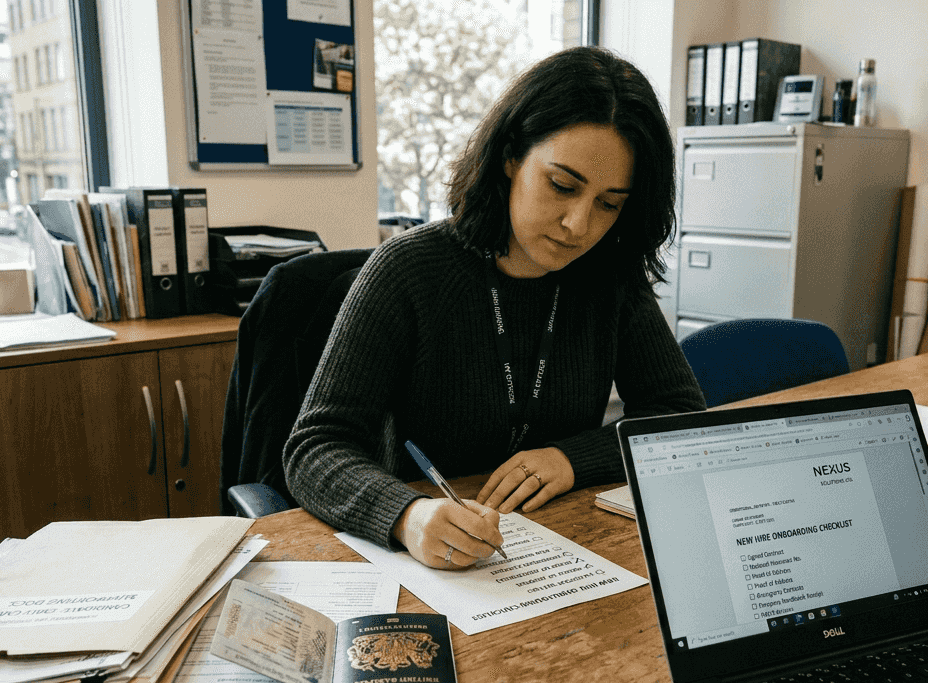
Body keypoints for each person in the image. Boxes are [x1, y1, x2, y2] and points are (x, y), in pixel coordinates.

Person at [284, 46, 706, 570]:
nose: (578, 224)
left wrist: (571, 459)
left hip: (556, 550)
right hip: (431, 558)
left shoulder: (609, 279)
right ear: (511, 157)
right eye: (562, 185)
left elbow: (681, 415)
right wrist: (406, 515)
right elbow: (315, 447)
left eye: (609, 204)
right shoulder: (408, 271)